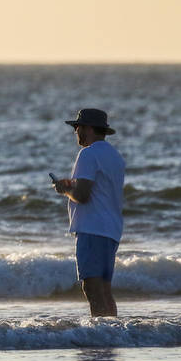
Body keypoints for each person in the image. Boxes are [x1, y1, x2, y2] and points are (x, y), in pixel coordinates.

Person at [53, 108, 124, 317]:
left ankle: (101, 338)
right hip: (111, 230)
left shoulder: (88, 153)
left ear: (88, 129)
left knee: (91, 287)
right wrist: (72, 186)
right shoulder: (115, 156)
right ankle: (112, 333)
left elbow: (82, 196)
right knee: (104, 289)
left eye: (77, 127)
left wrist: (64, 189)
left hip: (92, 228)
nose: (76, 132)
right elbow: (98, 190)